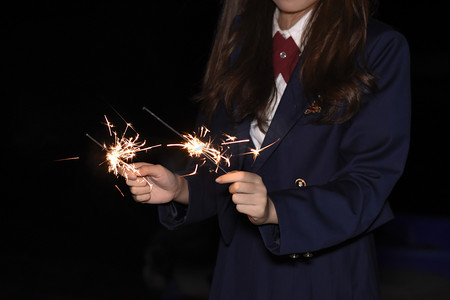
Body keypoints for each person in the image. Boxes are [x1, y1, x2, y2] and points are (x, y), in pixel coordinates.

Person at [123, 0, 410, 298]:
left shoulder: (375, 47)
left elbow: (370, 182)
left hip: (324, 273)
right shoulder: (237, 40)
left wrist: (276, 209)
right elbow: (219, 165)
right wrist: (182, 188)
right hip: (238, 270)